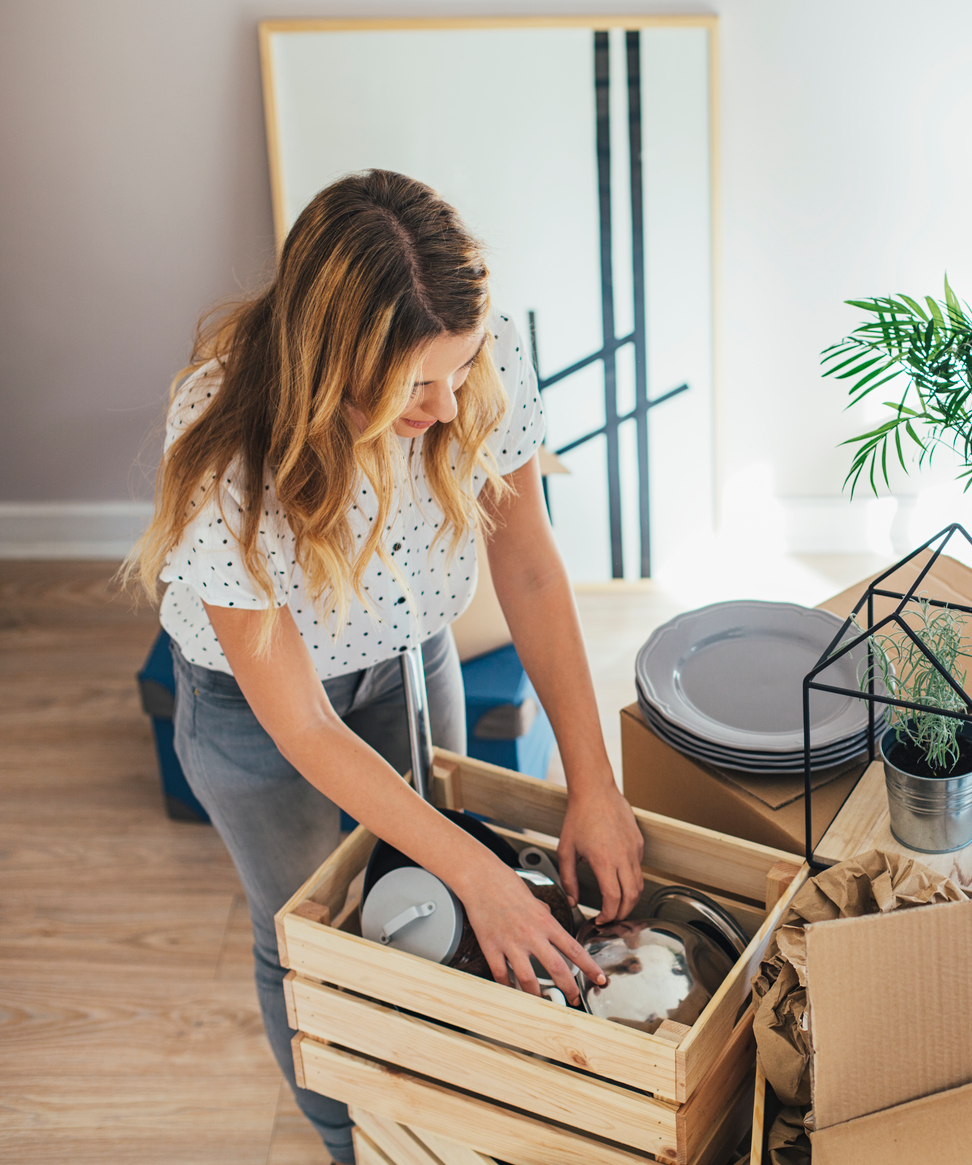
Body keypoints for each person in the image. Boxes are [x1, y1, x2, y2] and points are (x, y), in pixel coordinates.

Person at [128, 170, 644, 1165]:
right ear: (333, 369)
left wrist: (592, 782)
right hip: (255, 715)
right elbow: (303, 725)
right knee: (308, 936)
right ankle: (348, 1139)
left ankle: (446, 1111)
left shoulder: (473, 360)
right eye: (417, 384)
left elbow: (527, 561)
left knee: (437, 892)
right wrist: (479, 869)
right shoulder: (225, 438)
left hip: (407, 660)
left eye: (461, 367)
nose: (449, 403)